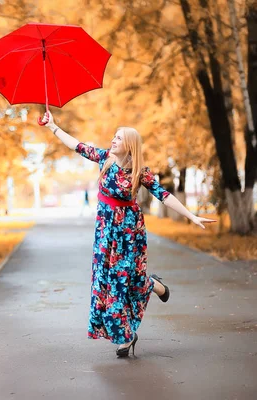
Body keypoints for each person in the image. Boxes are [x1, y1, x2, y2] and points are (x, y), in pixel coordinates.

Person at [41, 111, 215, 358]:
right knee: (106, 281)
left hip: (129, 232)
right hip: (105, 231)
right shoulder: (105, 159)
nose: (113, 140)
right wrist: (53, 126)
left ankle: (148, 289)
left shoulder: (139, 172)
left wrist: (192, 215)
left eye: (118, 138)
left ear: (130, 145)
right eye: (114, 136)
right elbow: (76, 146)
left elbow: (164, 195)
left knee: (125, 281)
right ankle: (127, 333)